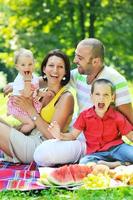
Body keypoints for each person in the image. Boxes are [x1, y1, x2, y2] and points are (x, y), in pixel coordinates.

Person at [4, 38, 133, 124]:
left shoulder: (115, 80)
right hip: (79, 131)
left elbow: (129, 115)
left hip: (101, 138)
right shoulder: (79, 75)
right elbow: (54, 77)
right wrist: (16, 84)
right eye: (76, 55)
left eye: (80, 58)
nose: (75, 61)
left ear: (95, 61)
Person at [0, 49, 74, 164]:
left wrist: (30, 109)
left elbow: (52, 136)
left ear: (65, 72)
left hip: (40, 147)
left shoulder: (66, 97)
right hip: (28, 137)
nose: (55, 70)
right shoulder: (40, 92)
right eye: (51, 65)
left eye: (60, 67)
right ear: (44, 69)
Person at [41, 79, 133, 168]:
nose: (101, 98)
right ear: (91, 96)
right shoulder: (84, 116)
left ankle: (115, 164)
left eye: (106, 95)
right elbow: (73, 135)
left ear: (112, 98)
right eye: (97, 94)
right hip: (96, 153)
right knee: (84, 163)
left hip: (117, 149)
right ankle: (118, 164)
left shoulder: (117, 117)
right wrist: (59, 135)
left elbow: (131, 136)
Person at [7, 48, 42, 133]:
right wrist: (27, 81)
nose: (27, 67)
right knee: (31, 124)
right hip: (19, 105)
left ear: (34, 64)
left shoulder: (34, 76)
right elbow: (26, 94)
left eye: (30, 64)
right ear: (17, 67)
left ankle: (16, 129)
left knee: (35, 121)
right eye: (23, 65)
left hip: (28, 103)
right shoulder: (20, 79)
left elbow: (35, 91)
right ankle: (17, 136)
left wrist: (43, 93)